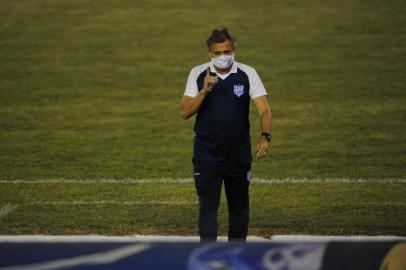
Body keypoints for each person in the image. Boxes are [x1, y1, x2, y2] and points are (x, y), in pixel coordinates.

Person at [179, 27, 272, 241]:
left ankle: (235, 257)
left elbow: (264, 110)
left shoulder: (248, 73)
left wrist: (265, 136)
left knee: (239, 210)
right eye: (218, 53)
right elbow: (184, 112)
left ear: (234, 50)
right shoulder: (198, 73)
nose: (223, 57)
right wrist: (204, 90)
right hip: (207, 155)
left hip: (238, 156)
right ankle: (208, 257)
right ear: (210, 54)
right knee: (208, 208)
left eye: (228, 52)